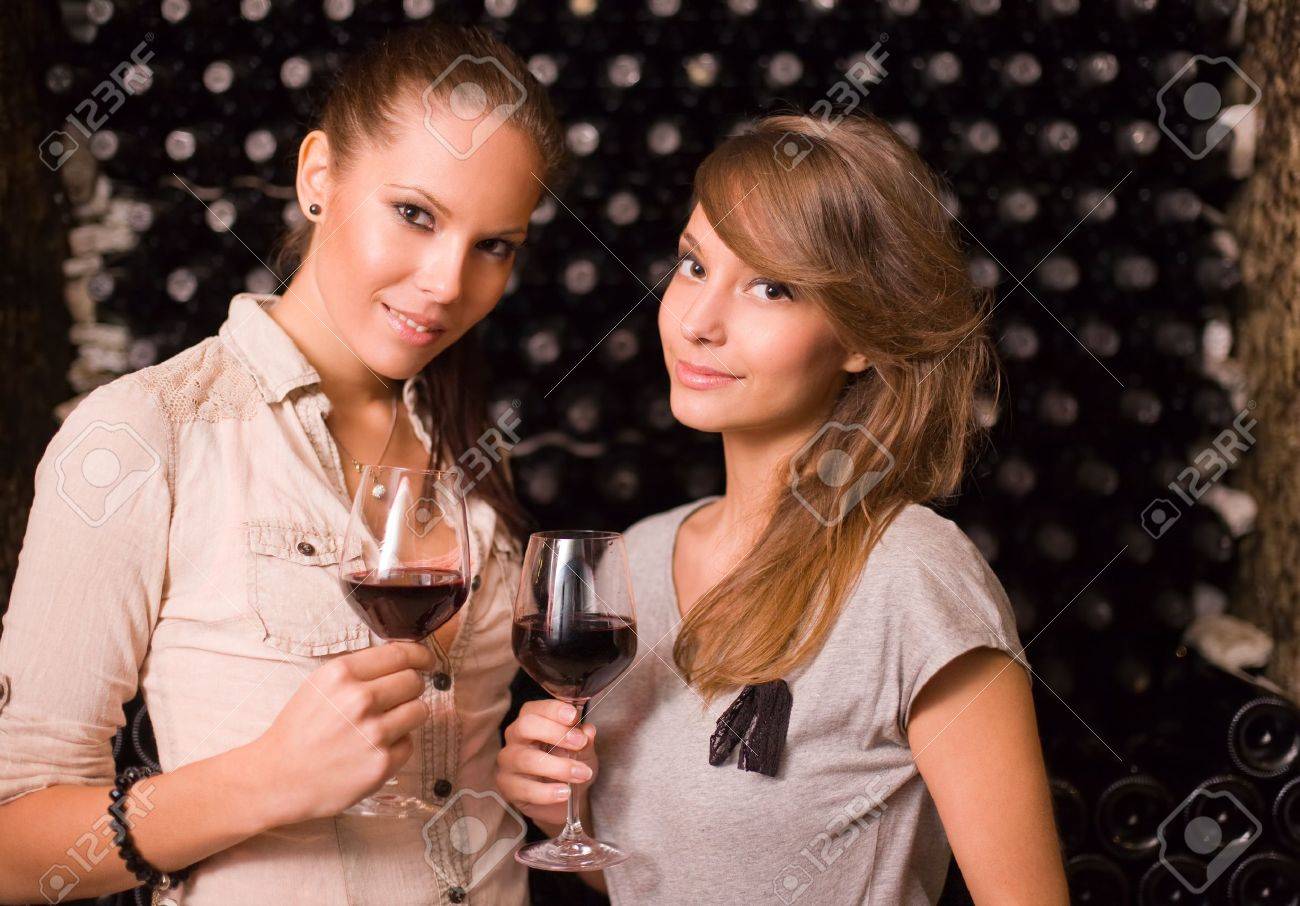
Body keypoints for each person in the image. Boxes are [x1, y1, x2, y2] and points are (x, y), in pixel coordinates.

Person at [0, 23, 564, 906]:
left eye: (494, 245)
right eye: (415, 214)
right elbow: (11, 847)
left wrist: (544, 784)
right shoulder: (145, 434)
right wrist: (267, 780)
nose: (448, 283)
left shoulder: (470, 449)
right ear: (318, 177)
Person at [496, 112, 1069, 904]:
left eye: (771, 288)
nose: (698, 322)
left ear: (860, 336)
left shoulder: (911, 579)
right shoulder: (634, 562)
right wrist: (560, 808)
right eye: (694, 265)